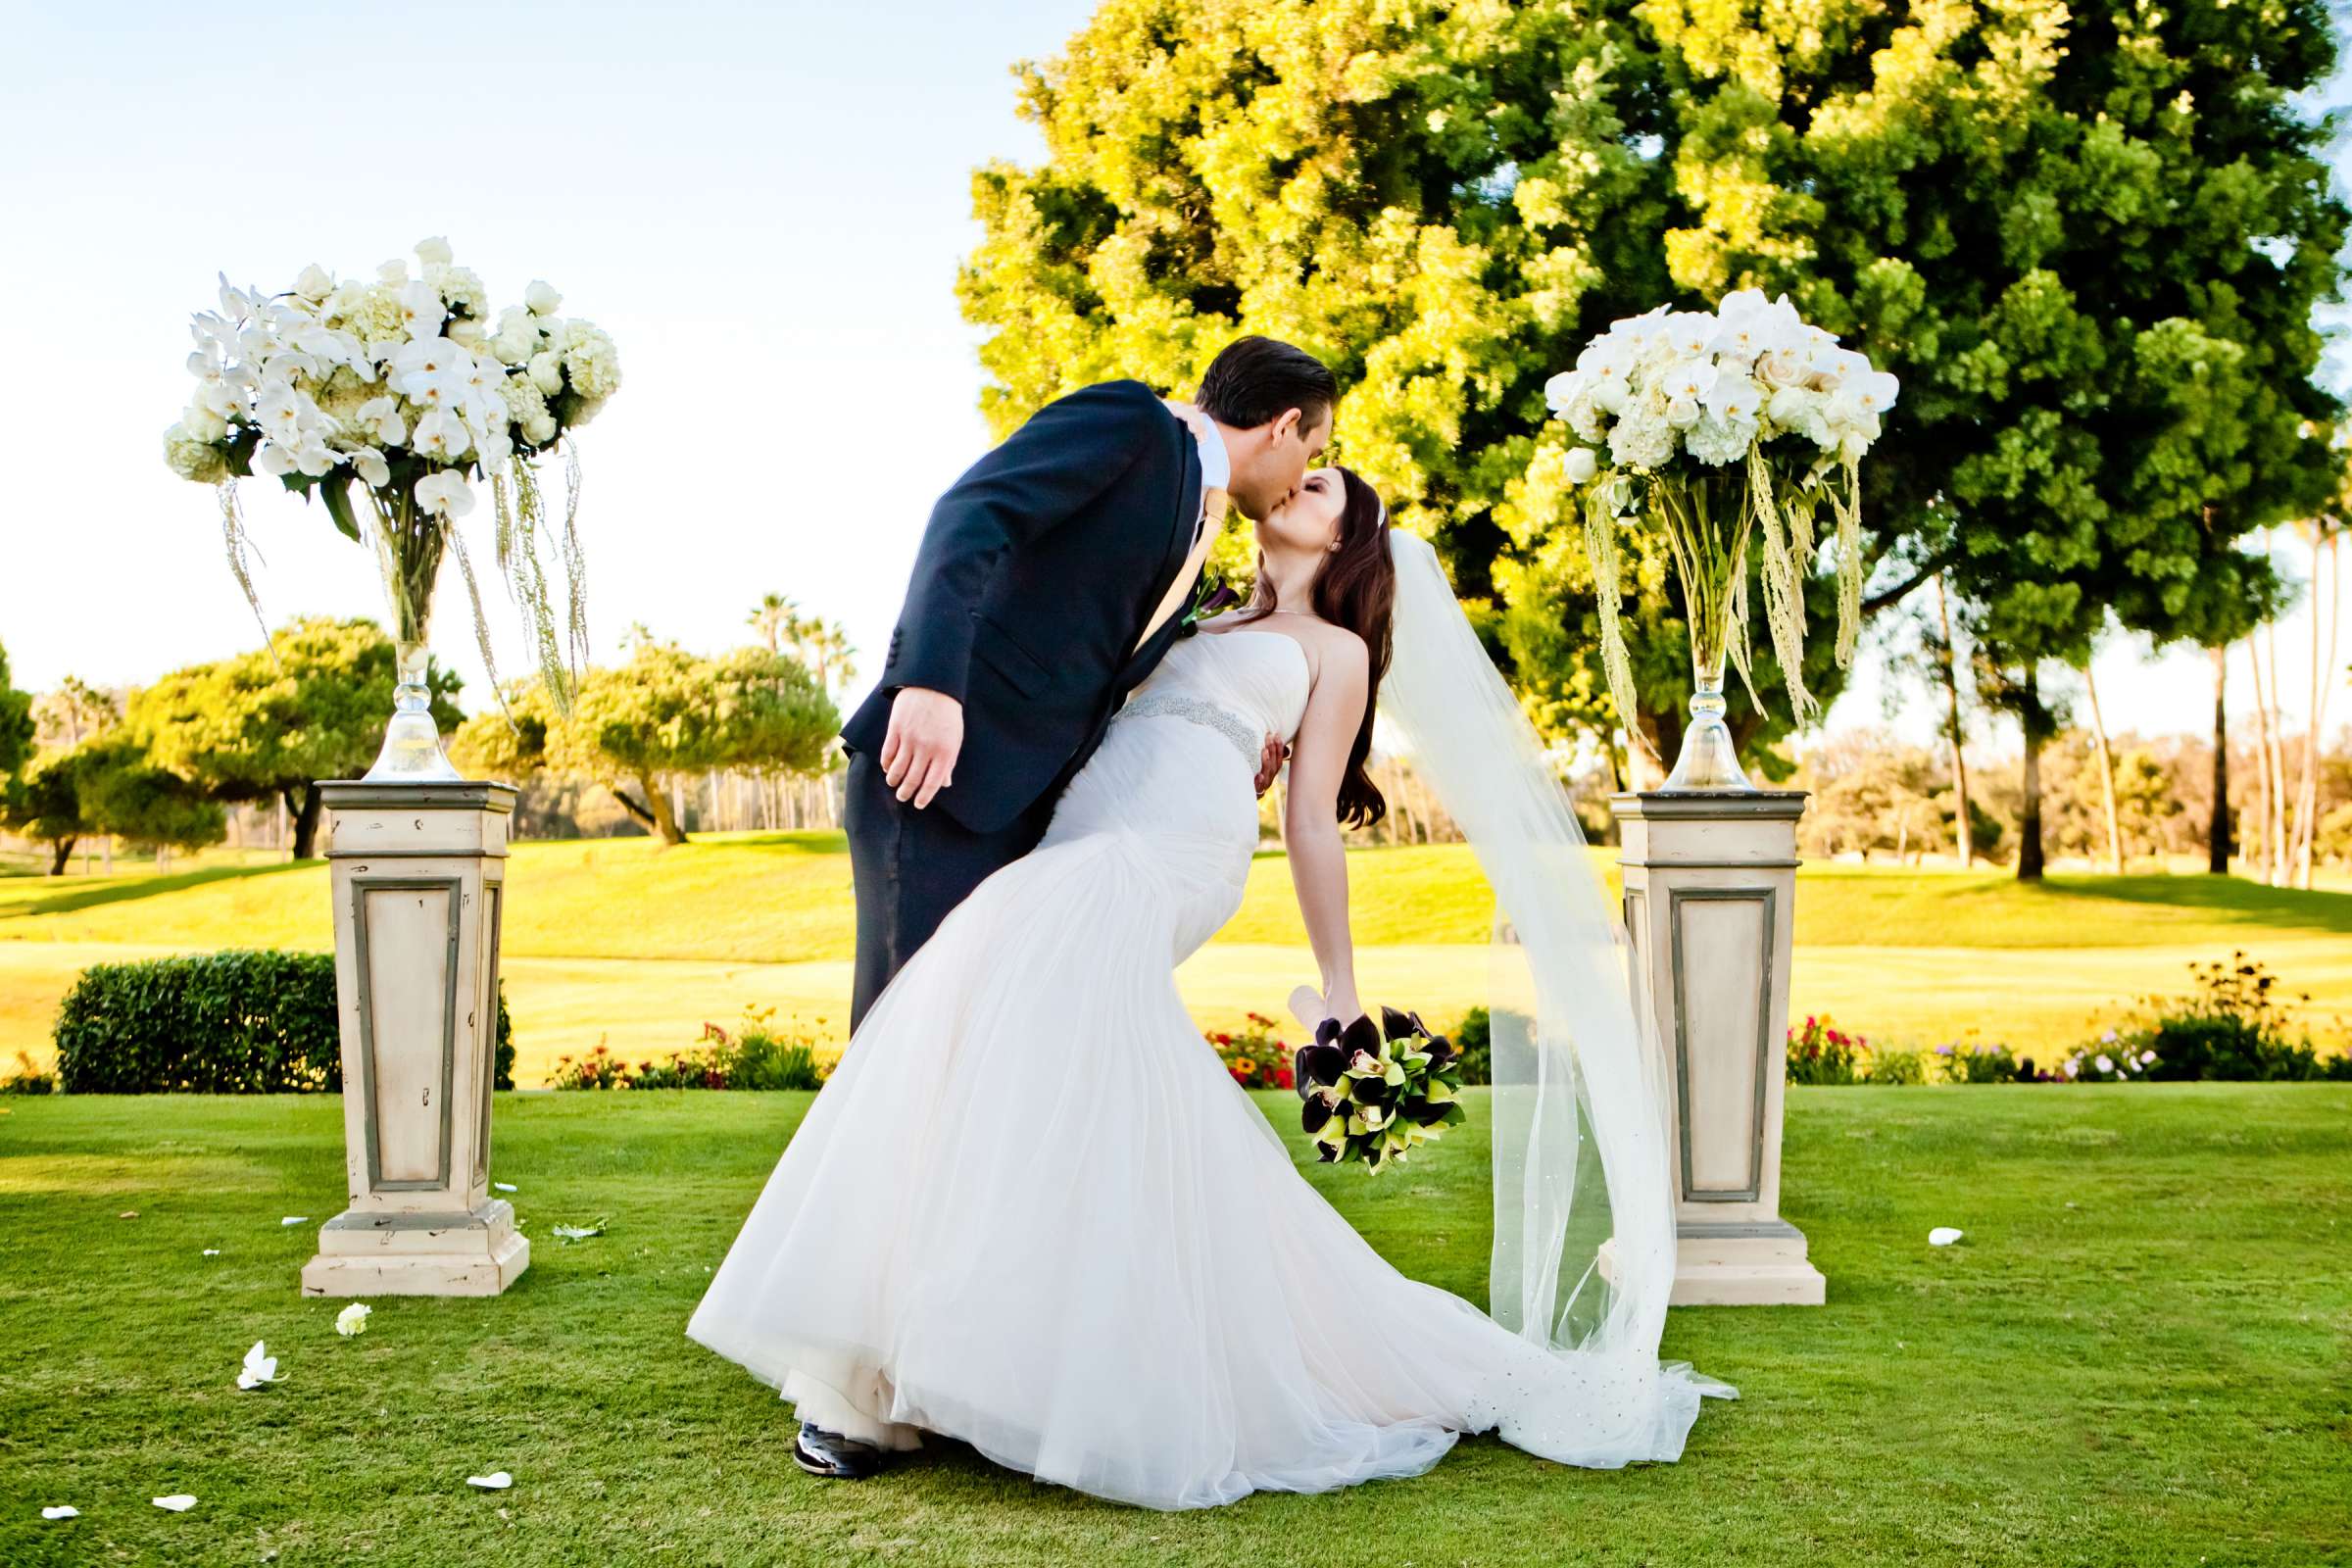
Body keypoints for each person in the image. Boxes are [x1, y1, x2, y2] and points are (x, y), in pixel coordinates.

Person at [686, 454, 1734, 1508]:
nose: (1300, 486)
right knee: (1016, 1050)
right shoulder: (1199, 611)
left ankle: (888, 1381)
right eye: (1305, 471)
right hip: (1084, 829)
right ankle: (929, 1360)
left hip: (1171, 852)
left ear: (1345, 541)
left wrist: (1339, 983)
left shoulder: (1333, 654)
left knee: (986, 971)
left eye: (1325, 489)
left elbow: (1311, 817)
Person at [834, 337, 1336, 1032]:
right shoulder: (1134, 422)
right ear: (1283, 426)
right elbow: (971, 512)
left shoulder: (1198, 521)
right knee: (902, 1039)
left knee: (969, 1050)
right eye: (1312, 454)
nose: (1302, 474)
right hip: (938, 774)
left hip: (1028, 812)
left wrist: (1226, 745)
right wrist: (928, 683)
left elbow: (1101, 669)